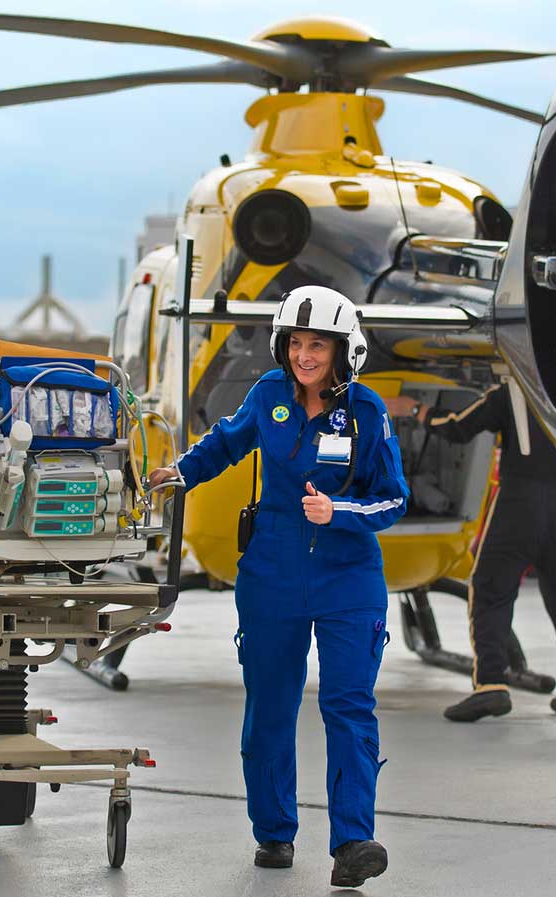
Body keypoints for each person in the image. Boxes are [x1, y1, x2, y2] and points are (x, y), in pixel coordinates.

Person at [144, 285, 404, 888]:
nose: (304, 355)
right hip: (272, 573)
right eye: (295, 342)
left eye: (317, 345)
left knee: (348, 705)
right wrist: (180, 473)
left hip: (348, 577)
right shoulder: (267, 396)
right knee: (271, 705)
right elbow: (225, 444)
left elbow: (392, 499)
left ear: (344, 350)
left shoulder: (367, 412)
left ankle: (353, 843)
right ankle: (274, 832)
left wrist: (337, 511)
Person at [386, 380, 556, 722]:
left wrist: (413, 408)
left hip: (521, 500)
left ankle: (490, 685)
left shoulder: (514, 391)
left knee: (489, 589)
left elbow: (458, 427)